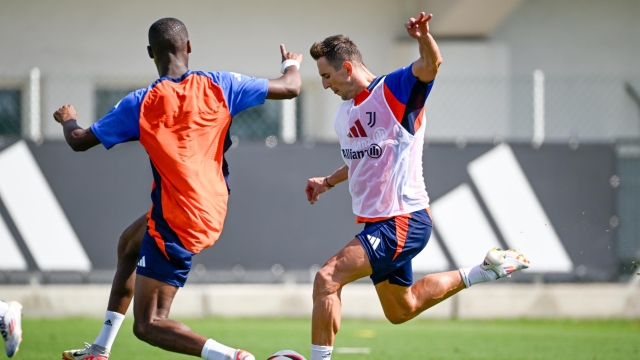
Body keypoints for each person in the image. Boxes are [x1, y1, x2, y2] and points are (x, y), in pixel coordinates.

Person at [55, 17, 303, 360]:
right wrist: (291, 63)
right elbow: (291, 87)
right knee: (130, 243)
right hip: (210, 204)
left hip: (178, 218)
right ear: (188, 47)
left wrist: (68, 117)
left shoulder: (140, 103)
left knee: (149, 324)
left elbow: (79, 141)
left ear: (149, 53)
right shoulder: (220, 84)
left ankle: (234, 358)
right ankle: (100, 348)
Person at [304, 12, 530, 360]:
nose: (324, 85)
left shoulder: (393, 90)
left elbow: (431, 63)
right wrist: (328, 182)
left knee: (327, 278)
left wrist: (423, 37)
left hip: (404, 220)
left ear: (347, 69)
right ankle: (483, 271)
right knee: (401, 310)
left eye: (326, 76)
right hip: (379, 223)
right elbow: (360, 159)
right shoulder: (345, 113)